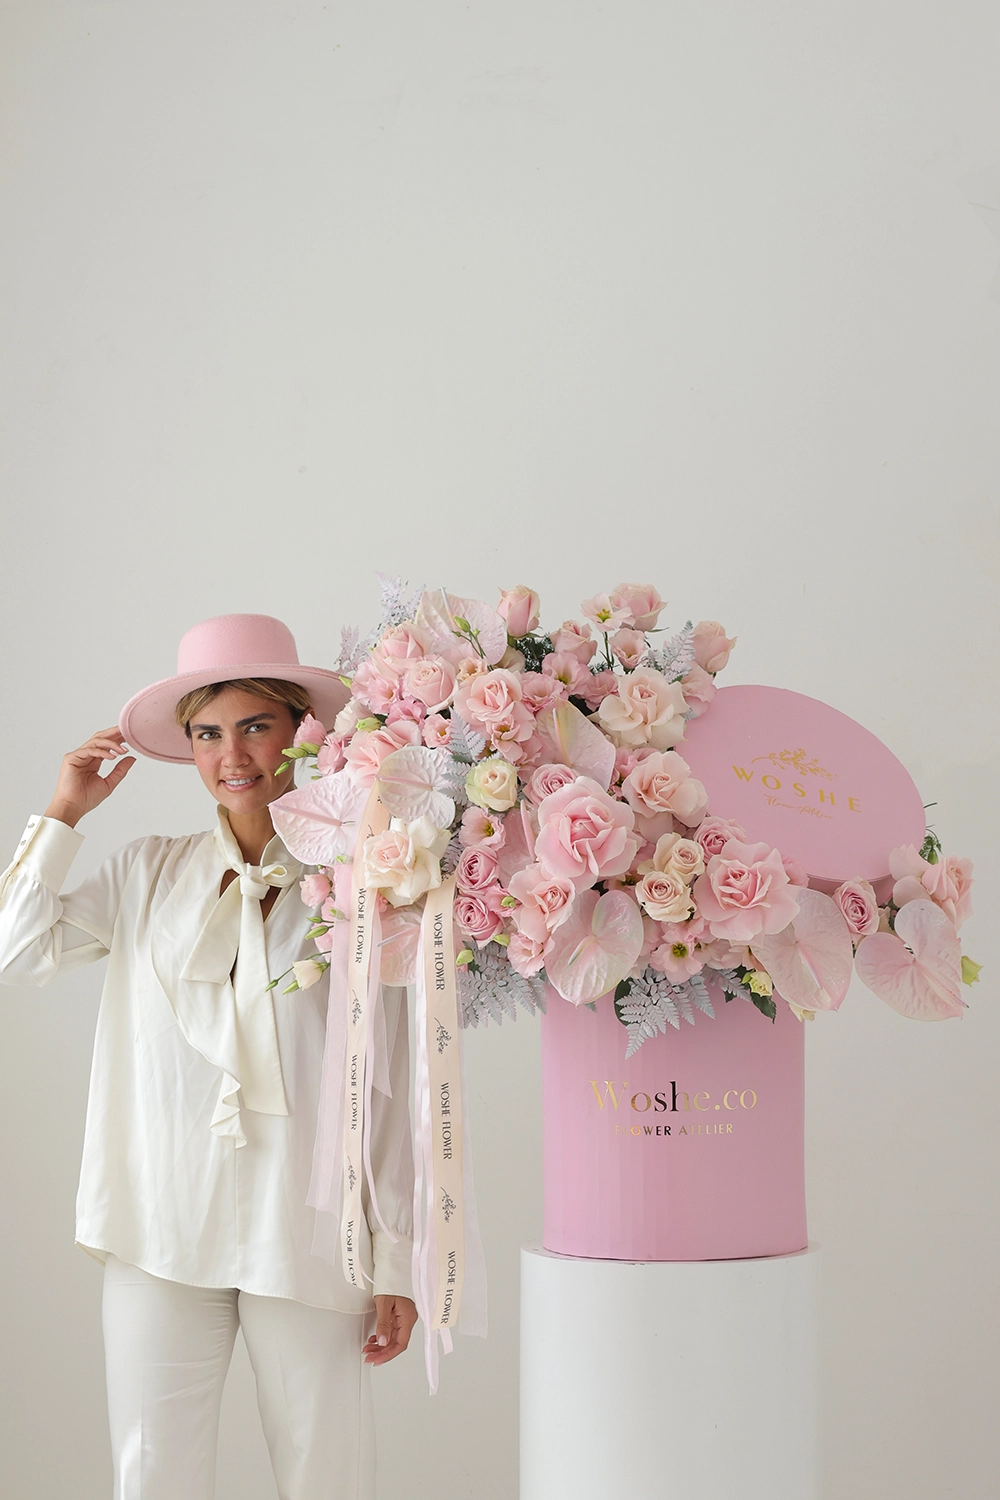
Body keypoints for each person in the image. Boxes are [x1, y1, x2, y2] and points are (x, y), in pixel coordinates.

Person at [0, 613, 416, 1500]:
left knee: (328, 1472)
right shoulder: (147, 873)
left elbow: (392, 1081)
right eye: (207, 733)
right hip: (160, 1221)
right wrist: (65, 810)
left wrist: (397, 1258)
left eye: (256, 725)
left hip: (307, 1227)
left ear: (302, 731)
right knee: (153, 1473)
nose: (234, 755)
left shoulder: (365, 883)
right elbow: (16, 950)